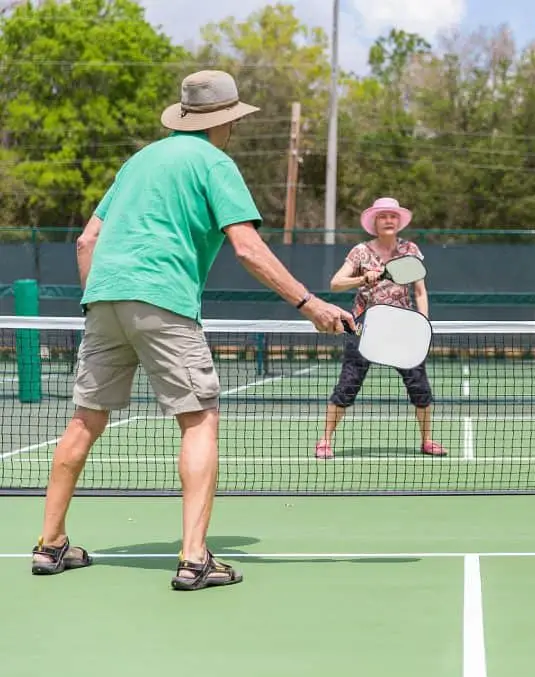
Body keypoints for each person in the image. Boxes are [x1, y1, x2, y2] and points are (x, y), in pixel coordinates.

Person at [29, 70, 353, 590]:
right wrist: (308, 302)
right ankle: (195, 557)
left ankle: (50, 545)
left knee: (85, 420)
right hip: (163, 299)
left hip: (103, 299)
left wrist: (98, 301)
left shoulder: (138, 161)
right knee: (199, 419)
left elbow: (86, 242)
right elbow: (246, 247)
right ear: (226, 122)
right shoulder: (215, 163)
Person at [315, 197, 448, 458]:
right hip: (364, 326)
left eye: (392, 216)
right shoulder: (360, 252)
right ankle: (325, 441)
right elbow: (335, 283)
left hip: (403, 327)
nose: (388, 220)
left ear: (398, 222)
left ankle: (427, 440)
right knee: (348, 385)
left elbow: (420, 291)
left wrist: (423, 323)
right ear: (374, 222)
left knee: (419, 386)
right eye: (382, 216)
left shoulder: (410, 249)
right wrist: (363, 278)